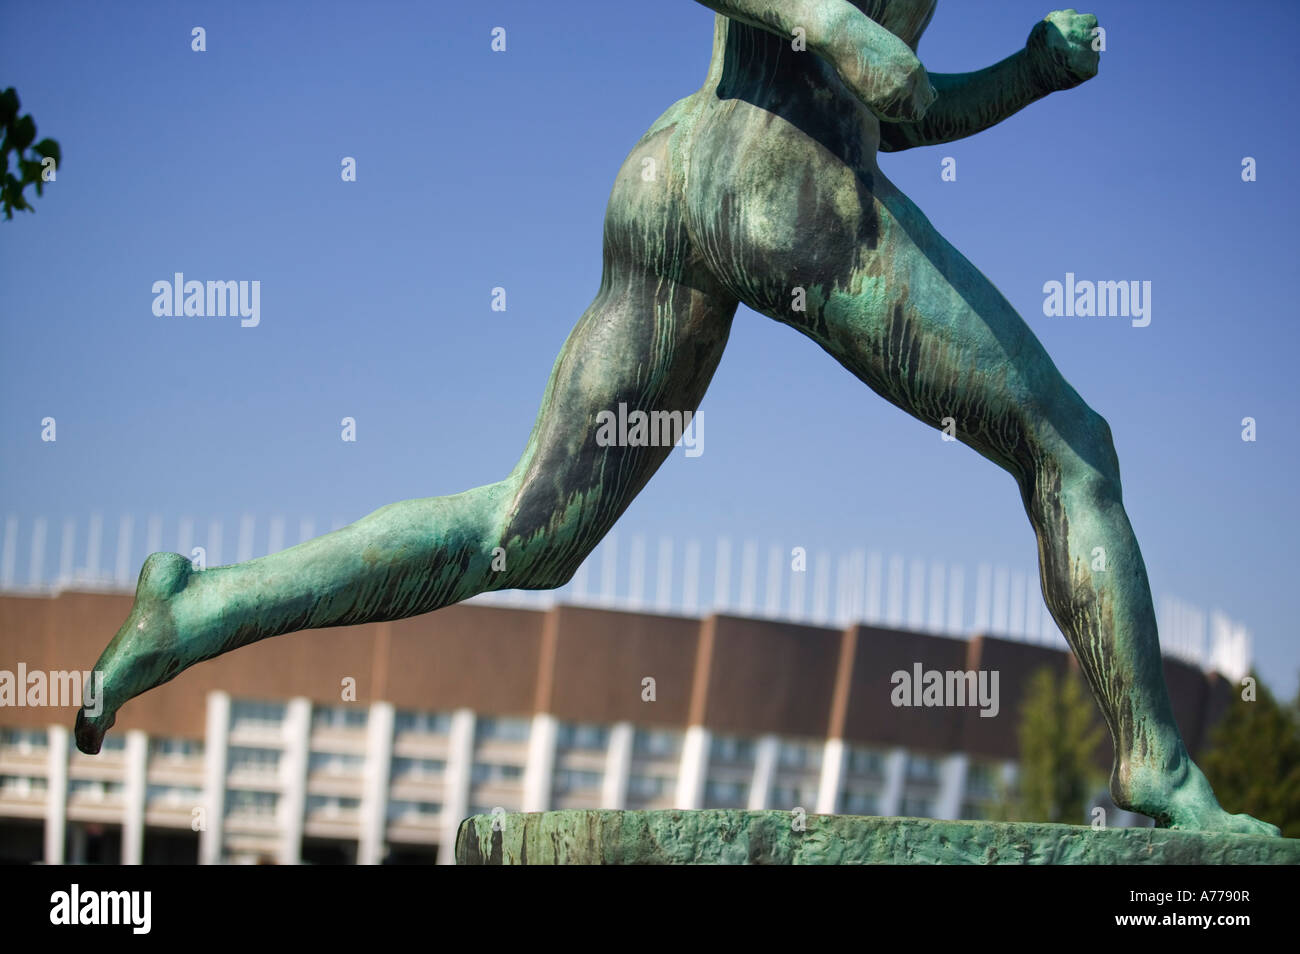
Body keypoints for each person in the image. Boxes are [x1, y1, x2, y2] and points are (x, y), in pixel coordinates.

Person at [76, 1, 1277, 835]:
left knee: (526, 536)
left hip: (677, 171)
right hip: (783, 194)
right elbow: (846, 66)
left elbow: (889, 108)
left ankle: (199, 606)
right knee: (1072, 448)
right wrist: (845, 25)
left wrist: (1026, 73)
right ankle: (1153, 759)